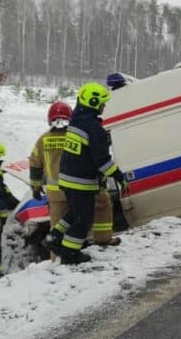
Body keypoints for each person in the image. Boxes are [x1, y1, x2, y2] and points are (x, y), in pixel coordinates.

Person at [45, 82, 128, 264]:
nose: (104, 106)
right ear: (93, 102)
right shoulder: (95, 129)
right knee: (83, 220)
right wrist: (120, 177)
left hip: (67, 179)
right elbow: (103, 162)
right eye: (102, 103)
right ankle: (70, 254)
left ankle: (55, 237)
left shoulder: (77, 120)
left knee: (75, 213)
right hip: (80, 182)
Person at [30, 101, 121, 251]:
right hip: (82, 186)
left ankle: (57, 257)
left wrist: (35, 185)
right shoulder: (78, 135)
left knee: (59, 222)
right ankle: (102, 239)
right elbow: (94, 157)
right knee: (100, 207)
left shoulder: (43, 140)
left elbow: (35, 163)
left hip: (56, 193)